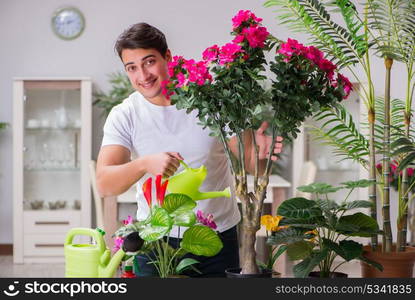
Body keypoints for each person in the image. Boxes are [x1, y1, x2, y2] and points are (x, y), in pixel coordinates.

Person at [96, 22, 283, 277]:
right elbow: (105, 183)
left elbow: (251, 164)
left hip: (216, 237)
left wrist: (261, 155)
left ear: (168, 57)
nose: (142, 75)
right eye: (132, 68)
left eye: (149, 62)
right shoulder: (125, 114)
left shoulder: (216, 103)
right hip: (155, 241)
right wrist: (144, 164)